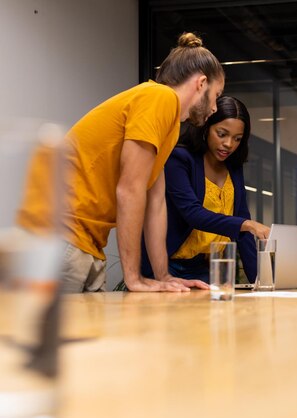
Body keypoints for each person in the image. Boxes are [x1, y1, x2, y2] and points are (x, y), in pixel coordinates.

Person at [18, 32, 224, 293]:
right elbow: (130, 189)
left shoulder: (169, 124)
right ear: (202, 83)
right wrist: (133, 279)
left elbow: (155, 204)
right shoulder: (159, 98)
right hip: (62, 235)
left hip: (85, 242)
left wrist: (163, 277)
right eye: (217, 95)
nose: (215, 107)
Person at [140, 96, 269, 283]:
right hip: (167, 265)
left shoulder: (234, 168)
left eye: (237, 139)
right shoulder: (179, 159)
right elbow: (193, 214)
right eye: (222, 134)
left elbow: (244, 233)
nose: (229, 144)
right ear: (206, 128)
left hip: (206, 268)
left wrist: (261, 282)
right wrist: (246, 224)